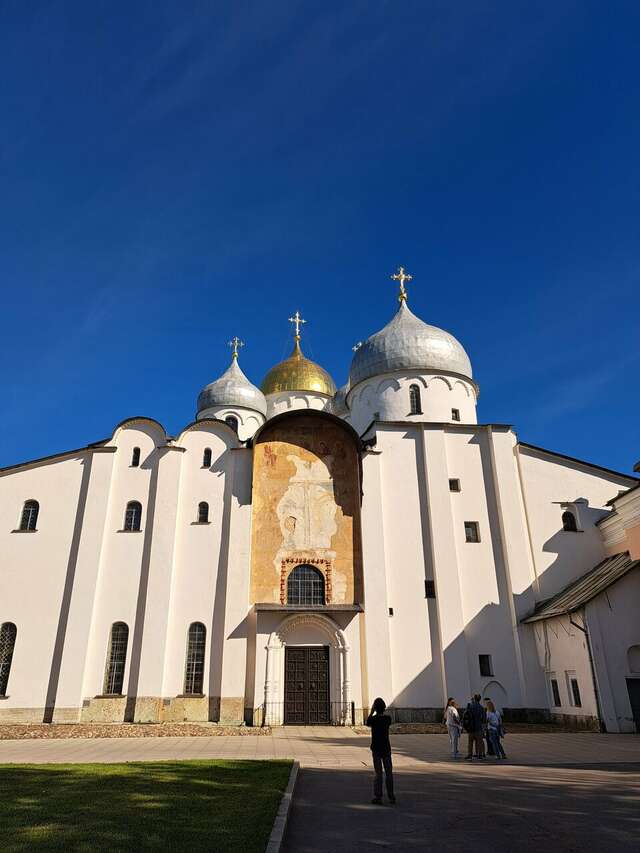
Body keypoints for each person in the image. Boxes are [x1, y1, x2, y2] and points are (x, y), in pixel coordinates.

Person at [366, 697, 396, 805]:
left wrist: (371, 711)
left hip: (376, 749)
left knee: (378, 774)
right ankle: (391, 796)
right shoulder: (387, 719)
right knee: (389, 773)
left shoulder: (373, 720)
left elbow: (367, 722)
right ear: (384, 708)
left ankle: (378, 796)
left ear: (375, 708)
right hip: (386, 749)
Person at [463, 694, 486, 760]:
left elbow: (466, 715)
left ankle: (470, 755)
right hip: (478, 727)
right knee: (479, 742)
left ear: (474, 698)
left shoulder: (470, 706)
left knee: (470, 742)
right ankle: (480, 755)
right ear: (480, 699)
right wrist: (483, 728)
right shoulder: (481, 708)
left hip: (471, 727)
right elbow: (484, 719)